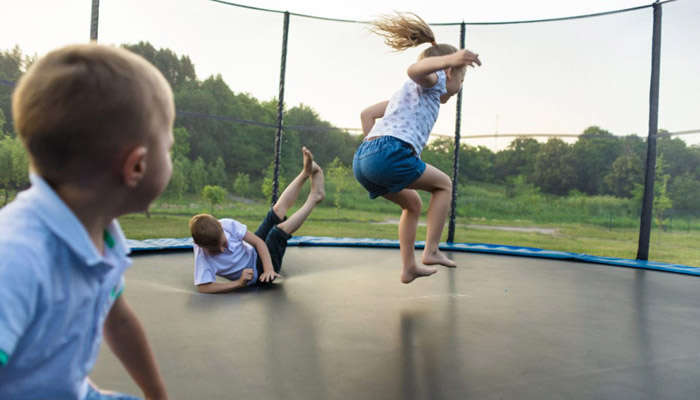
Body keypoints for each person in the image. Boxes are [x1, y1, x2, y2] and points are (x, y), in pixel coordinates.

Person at [0, 44, 174, 399]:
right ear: (136, 166)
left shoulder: (103, 233)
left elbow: (119, 321)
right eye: (168, 147)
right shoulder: (18, 256)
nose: (170, 157)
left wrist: (157, 395)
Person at [353, 12, 482, 284]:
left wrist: (375, 150)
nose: (459, 85)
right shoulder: (432, 83)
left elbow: (366, 114)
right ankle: (432, 250)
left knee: (412, 204)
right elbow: (413, 70)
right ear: (449, 71)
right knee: (444, 185)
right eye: (461, 78)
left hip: (363, 161)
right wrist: (451, 58)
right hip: (390, 154)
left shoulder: (402, 98)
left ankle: (408, 267)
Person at [189, 147, 325, 294]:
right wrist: (239, 283)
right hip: (258, 274)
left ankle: (306, 172)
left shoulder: (227, 224)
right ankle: (314, 197)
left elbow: (258, 242)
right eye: (215, 250)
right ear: (200, 246)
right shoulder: (202, 255)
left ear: (220, 225)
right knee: (276, 233)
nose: (222, 250)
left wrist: (269, 269)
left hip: (259, 259)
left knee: (276, 212)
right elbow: (204, 288)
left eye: (223, 243)